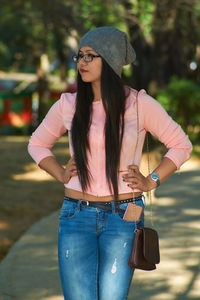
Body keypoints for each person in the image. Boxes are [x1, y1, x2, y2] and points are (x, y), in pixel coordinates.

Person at [28, 26, 192, 300]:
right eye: (79, 56)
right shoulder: (69, 104)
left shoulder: (139, 104)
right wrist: (59, 172)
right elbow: (36, 143)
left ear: (111, 60)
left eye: (90, 56)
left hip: (124, 218)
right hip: (76, 216)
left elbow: (181, 144)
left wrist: (151, 180)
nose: (81, 62)